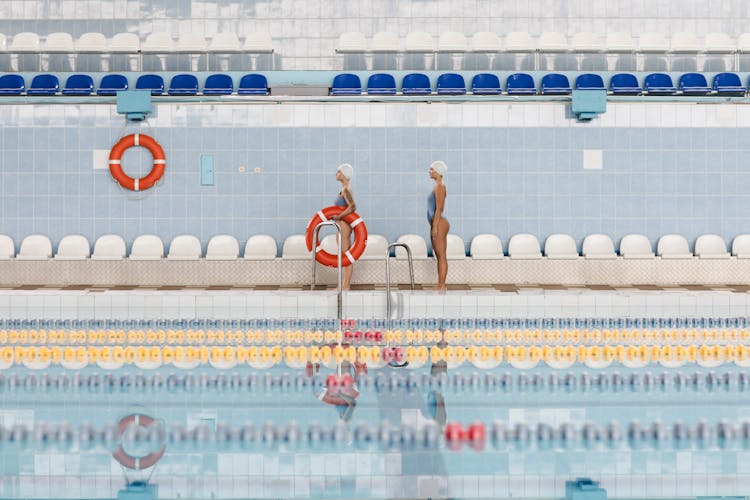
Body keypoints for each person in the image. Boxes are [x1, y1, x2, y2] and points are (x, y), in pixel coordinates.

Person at [331, 163, 356, 290]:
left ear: (345, 174)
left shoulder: (346, 189)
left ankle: (346, 286)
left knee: (346, 256)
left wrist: (339, 216)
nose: (336, 174)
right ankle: (343, 284)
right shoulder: (344, 188)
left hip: (344, 225)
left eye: (339, 172)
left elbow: (352, 207)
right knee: (343, 255)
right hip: (341, 226)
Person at [427, 160, 449, 291]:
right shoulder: (438, 186)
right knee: (439, 255)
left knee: (441, 256)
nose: (429, 171)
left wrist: (435, 226)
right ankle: (440, 284)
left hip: (439, 223)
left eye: (432, 169)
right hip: (437, 222)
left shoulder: (440, 187)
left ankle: (442, 285)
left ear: (438, 172)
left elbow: (439, 208)